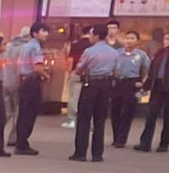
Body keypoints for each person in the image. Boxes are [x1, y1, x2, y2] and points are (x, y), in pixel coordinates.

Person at [71, 23, 121, 162]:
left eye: (91, 34)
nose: (89, 37)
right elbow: (117, 71)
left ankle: (80, 153)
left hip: (90, 84)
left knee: (84, 119)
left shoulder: (89, 51)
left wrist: (82, 71)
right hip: (106, 86)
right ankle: (97, 154)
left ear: (97, 36)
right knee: (100, 120)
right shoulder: (114, 52)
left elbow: (79, 69)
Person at [13, 22, 50, 156]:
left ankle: (20, 141)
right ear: (34, 33)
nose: (46, 34)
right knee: (29, 114)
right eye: (43, 31)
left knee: (23, 113)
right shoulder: (36, 48)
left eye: (47, 31)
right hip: (32, 83)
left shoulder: (26, 46)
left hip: (24, 81)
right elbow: (37, 68)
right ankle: (22, 144)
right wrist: (46, 76)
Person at [112, 30, 151, 149]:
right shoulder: (117, 53)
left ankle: (121, 139)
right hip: (118, 82)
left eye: (132, 38)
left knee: (127, 112)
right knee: (115, 110)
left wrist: (142, 83)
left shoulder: (141, 55)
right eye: (127, 38)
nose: (129, 41)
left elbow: (147, 71)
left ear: (137, 41)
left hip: (132, 83)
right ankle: (116, 137)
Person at [135, 30, 169, 153]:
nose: (167, 42)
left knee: (167, 118)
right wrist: (146, 87)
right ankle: (145, 143)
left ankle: (164, 144)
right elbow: (152, 72)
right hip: (157, 87)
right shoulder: (160, 53)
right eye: (166, 39)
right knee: (151, 115)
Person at [0, 27, 31, 149]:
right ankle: (13, 138)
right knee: (18, 112)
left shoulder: (8, 45)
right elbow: (21, 66)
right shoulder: (26, 47)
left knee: (6, 112)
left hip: (5, 81)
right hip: (17, 83)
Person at [62, 29, 93, 128]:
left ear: (82, 33)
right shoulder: (94, 46)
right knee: (89, 98)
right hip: (91, 74)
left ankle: (73, 120)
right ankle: (88, 122)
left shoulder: (76, 44)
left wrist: (70, 72)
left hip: (76, 72)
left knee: (74, 97)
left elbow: (70, 60)